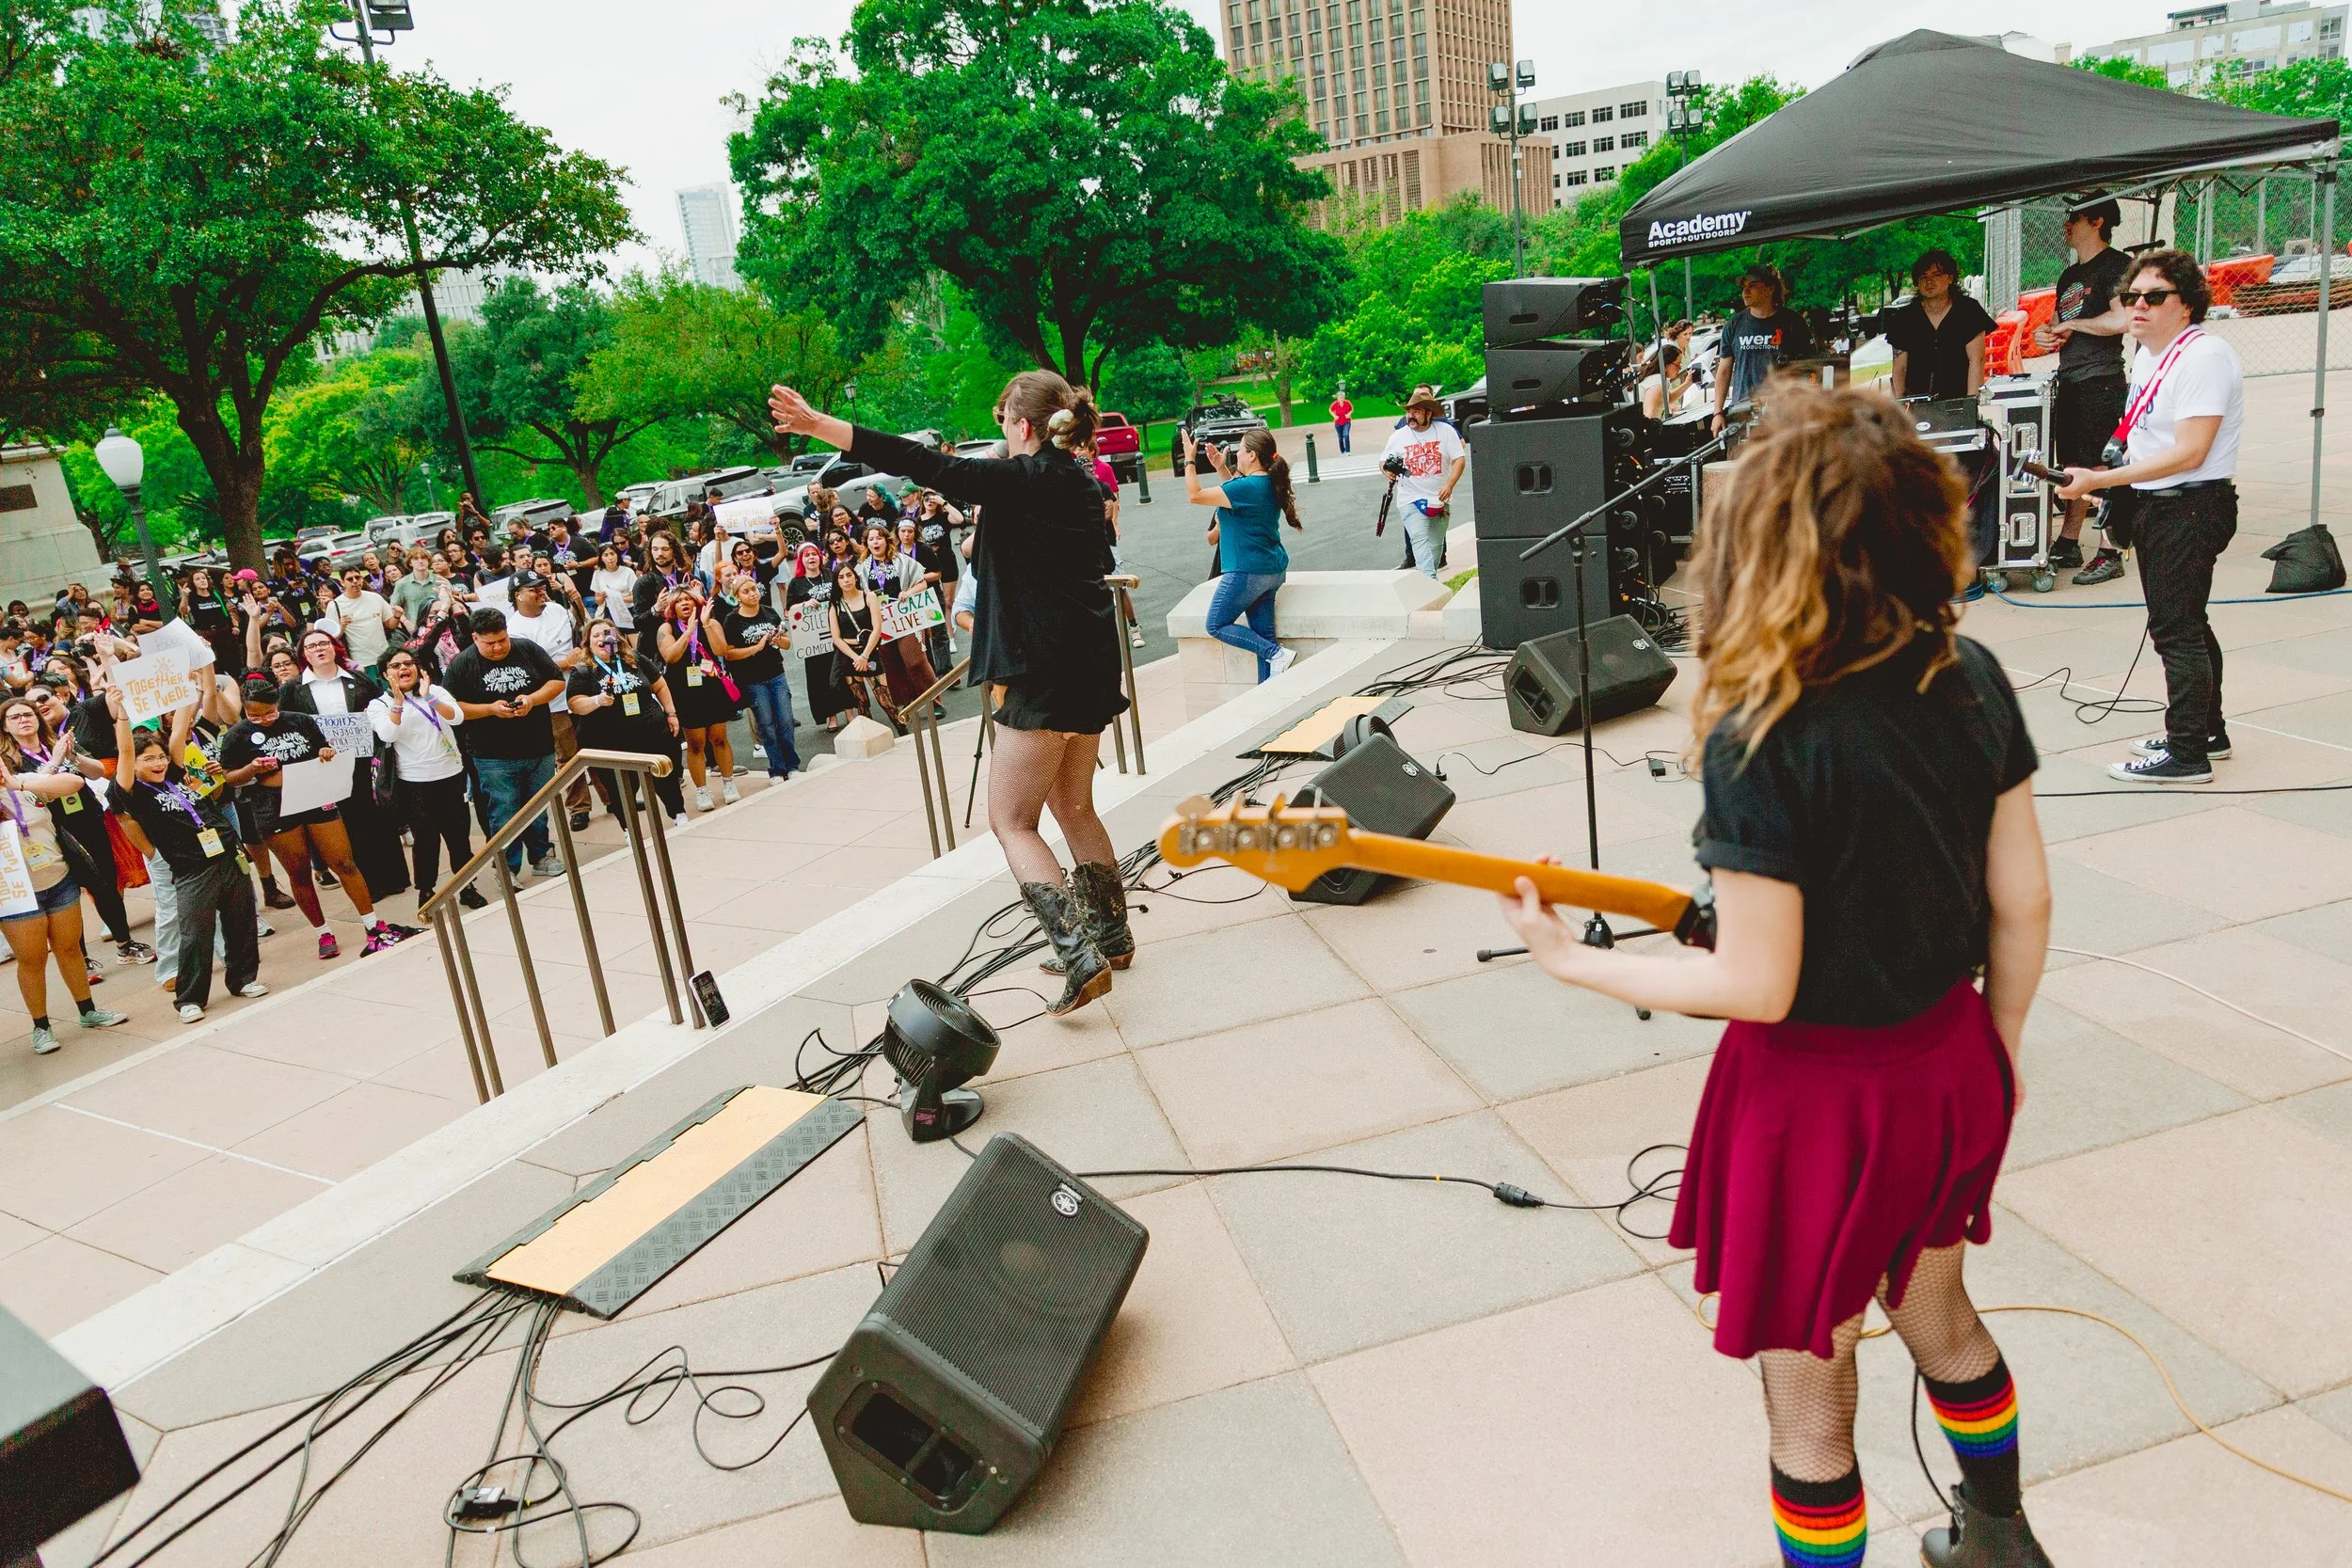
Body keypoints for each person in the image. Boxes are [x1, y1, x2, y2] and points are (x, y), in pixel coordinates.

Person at [1494, 380, 2054, 1568]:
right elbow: (2023, 898)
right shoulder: (1973, 672)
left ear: (1758, 537)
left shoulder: (1764, 722)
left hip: (1816, 1102)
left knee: (1811, 1380)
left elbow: (1758, 980)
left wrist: (1569, 962)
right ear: (1920, 522)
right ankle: (2002, 1538)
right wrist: (1993, 1052)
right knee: (1940, 1315)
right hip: (1949, 1058)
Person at [771, 367, 1127, 1016]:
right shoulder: (1078, 479)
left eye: (1002, 421)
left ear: (1022, 425)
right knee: (1074, 807)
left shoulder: (1021, 480)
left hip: (1039, 674)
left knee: (1011, 820)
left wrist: (821, 425)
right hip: (1089, 667)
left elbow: (915, 459)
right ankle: (1113, 934)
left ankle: (1081, 957)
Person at [2054, 247, 2244, 785]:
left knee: (2175, 630)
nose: (2138, 306)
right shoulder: (2149, 355)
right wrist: (2104, 480)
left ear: (2187, 305)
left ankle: (2187, 756)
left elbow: (2191, 451)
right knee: (2188, 623)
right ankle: (2206, 731)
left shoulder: (2202, 357)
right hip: (2163, 502)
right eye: (2131, 296)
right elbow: (2142, 436)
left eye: (2154, 296)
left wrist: (2102, 480)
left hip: (2190, 503)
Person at [218, 677, 404, 958]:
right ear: (244, 709)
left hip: (315, 798)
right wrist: (252, 769)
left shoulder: (300, 721)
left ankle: (372, 923)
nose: (264, 720)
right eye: (254, 715)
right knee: (299, 872)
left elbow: (323, 748)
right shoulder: (237, 735)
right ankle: (323, 932)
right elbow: (230, 778)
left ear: (277, 704)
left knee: (343, 861)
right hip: (274, 809)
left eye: (269, 712)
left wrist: (326, 752)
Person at [108, 694, 265, 1023]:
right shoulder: (133, 793)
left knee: (242, 922)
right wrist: (122, 715)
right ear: (134, 765)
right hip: (193, 869)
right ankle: (190, 998)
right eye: (148, 758)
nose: (158, 763)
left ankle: (243, 980)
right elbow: (123, 750)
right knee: (195, 933)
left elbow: (179, 729)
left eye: (161, 756)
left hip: (227, 854)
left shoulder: (177, 777)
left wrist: (188, 692)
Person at [0, 698, 129, 1053]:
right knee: (32, 959)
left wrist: (18, 784)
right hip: (16, 893)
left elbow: (72, 783)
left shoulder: (25, 781)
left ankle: (87, 1010)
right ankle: (41, 1027)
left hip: (58, 879)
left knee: (69, 948)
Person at [2034, 195, 2135, 585]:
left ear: (2097, 221)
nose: (2066, 224)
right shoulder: (2068, 276)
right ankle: (2070, 540)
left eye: (2074, 217)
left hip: (2102, 379)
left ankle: (2111, 549)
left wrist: (2074, 326)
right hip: (2072, 379)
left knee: (2101, 466)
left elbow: (2121, 319)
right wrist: (2048, 334)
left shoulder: (2118, 265)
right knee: (2073, 465)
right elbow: (2061, 320)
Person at [441, 608, 568, 879]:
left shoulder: (527, 649)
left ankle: (541, 855)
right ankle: (507, 867)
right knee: (503, 810)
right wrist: (489, 709)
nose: (498, 647)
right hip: (492, 754)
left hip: (538, 746)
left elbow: (556, 681)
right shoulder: (462, 664)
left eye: (502, 639)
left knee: (538, 805)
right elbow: (451, 707)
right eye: (490, 643)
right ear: (475, 637)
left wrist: (532, 699)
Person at [366, 647, 482, 910]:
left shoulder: (435, 691)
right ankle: (426, 890)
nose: (404, 669)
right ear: (385, 673)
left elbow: (458, 717)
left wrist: (430, 698)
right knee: (426, 840)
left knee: (459, 837)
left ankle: (466, 885)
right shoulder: (379, 705)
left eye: (408, 663)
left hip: (450, 775)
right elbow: (387, 734)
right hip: (414, 782)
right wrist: (398, 702)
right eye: (396, 666)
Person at [1185, 425, 1305, 681]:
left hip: (1247, 571)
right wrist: (1220, 467)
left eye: (1240, 449)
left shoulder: (1248, 486)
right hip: (1271, 571)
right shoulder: (1267, 483)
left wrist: (1189, 460)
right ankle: (1269, 697)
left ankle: (1276, 653)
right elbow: (1238, 495)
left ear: (1252, 455)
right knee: (1263, 636)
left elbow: (1194, 495)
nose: (1237, 453)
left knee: (1216, 624)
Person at [566, 618, 687, 825]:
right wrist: (596, 700)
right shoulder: (584, 670)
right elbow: (575, 703)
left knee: (665, 777)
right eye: (595, 635)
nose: (602, 638)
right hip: (610, 740)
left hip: (651, 731)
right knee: (621, 788)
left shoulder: (634, 659)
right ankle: (628, 829)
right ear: (588, 643)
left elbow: (660, 685)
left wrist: (671, 714)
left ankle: (678, 814)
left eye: (606, 633)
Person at [502, 570, 596, 830]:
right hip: (553, 701)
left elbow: (584, 628)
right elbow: (530, 670)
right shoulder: (515, 629)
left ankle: (614, 797)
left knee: (597, 743)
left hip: (583, 688)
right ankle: (579, 807)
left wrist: (577, 602)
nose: (541, 591)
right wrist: (566, 661)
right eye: (533, 588)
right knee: (568, 756)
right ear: (518, 595)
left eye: (542, 586)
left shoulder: (557, 609)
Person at [653, 579, 740, 811]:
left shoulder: (709, 622)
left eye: (688, 600)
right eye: (679, 601)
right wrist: (688, 632)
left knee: (719, 738)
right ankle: (702, 791)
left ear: (696, 602)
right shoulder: (667, 628)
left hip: (711, 685)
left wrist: (705, 625)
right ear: (672, 606)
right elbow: (670, 656)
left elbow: (722, 651)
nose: (684, 604)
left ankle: (728, 782)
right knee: (695, 742)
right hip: (684, 690)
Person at [712, 573, 800, 782]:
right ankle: (776, 769)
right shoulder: (732, 620)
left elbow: (787, 644)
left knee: (786, 721)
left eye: (754, 589)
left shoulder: (769, 612)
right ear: (738, 596)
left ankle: (792, 766)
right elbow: (729, 653)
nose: (753, 594)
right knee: (766, 724)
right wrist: (756, 648)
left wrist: (778, 640)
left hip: (776, 674)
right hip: (752, 680)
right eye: (746, 591)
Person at [1712, 263, 1815, 434]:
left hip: (1783, 415)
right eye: (1744, 286)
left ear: (1770, 288)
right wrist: (1717, 412)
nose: (1746, 291)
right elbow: (1724, 370)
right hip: (1741, 413)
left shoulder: (1793, 323)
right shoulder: (1734, 325)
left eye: (1753, 285)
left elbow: (1809, 370)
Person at [1884, 249, 1997, 403]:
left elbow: (1976, 361)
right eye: (1923, 277)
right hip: (1916, 402)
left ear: (1950, 278)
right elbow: (1899, 368)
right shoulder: (1904, 318)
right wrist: (1900, 406)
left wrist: (1971, 403)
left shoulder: (1969, 310)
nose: (1929, 282)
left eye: (1936, 275)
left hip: (1958, 399)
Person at [1380, 389, 1466, 578]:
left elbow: (1459, 459)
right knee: (1419, 539)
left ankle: (1430, 581)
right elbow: (1383, 461)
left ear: (1429, 413)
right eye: (1409, 411)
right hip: (1409, 498)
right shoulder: (1398, 436)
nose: (1411, 415)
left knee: (1436, 546)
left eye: (1416, 411)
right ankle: (1430, 583)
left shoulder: (1445, 431)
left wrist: (1449, 484)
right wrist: (1386, 471)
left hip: (1440, 499)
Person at [787, 545, 856, 734]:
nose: (811, 558)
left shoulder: (830, 574)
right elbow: (789, 611)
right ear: (801, 560)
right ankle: (831, 716)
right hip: (813, 642)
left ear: (820, 557)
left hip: (837, 634)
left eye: (814, 554)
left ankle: (850, 713)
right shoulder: (796, 583)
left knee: (842, 674)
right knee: (821, 678)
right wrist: (804, 604)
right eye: (806, 555)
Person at [825, 561, 883, 723]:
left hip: (869, 651)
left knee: (885, 701)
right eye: (841, 577)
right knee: (862, 706)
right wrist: (855, 657)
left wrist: (864, 656)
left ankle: (904, 733)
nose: (846, 580)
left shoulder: (869, 596)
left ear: (855, 577)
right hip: (849, 656)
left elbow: (877, 628)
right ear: (837, 582)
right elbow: (836, 638)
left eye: (849, 575)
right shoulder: (835, 605)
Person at [318, 565, 394, 671]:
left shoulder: (375, 597)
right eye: (350, 579)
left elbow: (390, 624)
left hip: (384, 657)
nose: (355, 581)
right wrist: (342, 626)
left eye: (357, 577)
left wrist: (397, 616)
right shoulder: (335, 605)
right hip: (360, 662)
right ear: (342, 582)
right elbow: (331, 638)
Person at [589, 541, 639, 631]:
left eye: (612, 554)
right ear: (601, 558)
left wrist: (617, 597)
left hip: (628, 610)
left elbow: (635, 597)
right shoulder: (598, 574)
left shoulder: (628, 572)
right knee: (610, 641)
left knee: (633, 639)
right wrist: (603, 597)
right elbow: (597, 600)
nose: (610, 558)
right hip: (609, 612)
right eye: (606, 555)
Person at [1329, 386, 1354, 454]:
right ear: (1337, 398)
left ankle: (1348, 451)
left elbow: (1352, 409)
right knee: (1340, 438)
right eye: (1340, 397)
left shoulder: (1347, 403)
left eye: (1342, 397)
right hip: (1338, 423)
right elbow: (1330, 410)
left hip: (1346, 422)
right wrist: (1334, 416)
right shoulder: (1335, 404)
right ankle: (1342, 451)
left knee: (1346, 435)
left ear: (1344, 398)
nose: (1341, 399)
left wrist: (1349, 414)